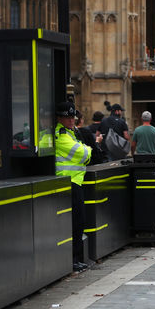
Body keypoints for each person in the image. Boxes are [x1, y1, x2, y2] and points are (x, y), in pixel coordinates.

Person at [54, 101, 92, 272]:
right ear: (59, 118)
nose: (71, 121)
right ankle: (73, 259)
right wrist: (87, 149)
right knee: (76, 222)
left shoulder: (70, 133)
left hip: (75, 182)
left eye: (72, 118)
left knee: (79, 222)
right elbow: (85, 153)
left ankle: (76, 258)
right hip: (68, 182)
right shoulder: (61, 135)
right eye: (67, 118)